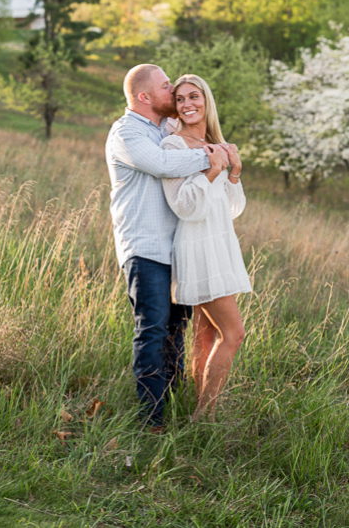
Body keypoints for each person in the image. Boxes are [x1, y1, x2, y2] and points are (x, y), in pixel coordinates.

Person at [106, 64, 223, 431]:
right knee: (152, 329)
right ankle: (151, 421)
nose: (172, 91)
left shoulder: (166, 129)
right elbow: (161, 165)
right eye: (165, 86)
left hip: (179, 247)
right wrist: (212, 156)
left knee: (176, 328)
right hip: (145, 248)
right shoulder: (126, 132)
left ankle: (170, 402)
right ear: (144, 97)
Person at [160, 74, 252, 422]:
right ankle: (204, 415)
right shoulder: (173, 148)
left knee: (207, 333)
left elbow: (231, 210)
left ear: (206, 100)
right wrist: (210, 173)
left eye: (194, 97)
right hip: (197, 247)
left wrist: (233, 173)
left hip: (220, 243)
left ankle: (199, 403)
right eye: (180, 99)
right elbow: (183, 206)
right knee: (235, 333)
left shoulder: (218, 145)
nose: (187, 105)